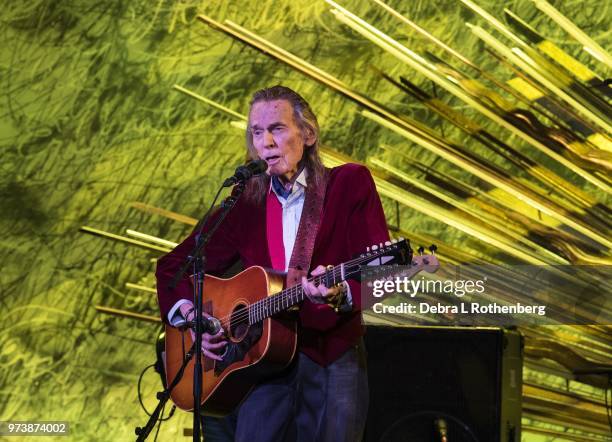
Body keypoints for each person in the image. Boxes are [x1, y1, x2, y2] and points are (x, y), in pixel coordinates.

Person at [156, 85, 389, 441]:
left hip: (331, 354)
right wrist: (192, 319)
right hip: (263, 363)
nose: (265, 142)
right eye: (256, 132)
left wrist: (341, 294)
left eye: (277, 128)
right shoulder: (245, 203)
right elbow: (174, 267)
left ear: (308, 134)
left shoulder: (349, 184)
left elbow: (382, 274)